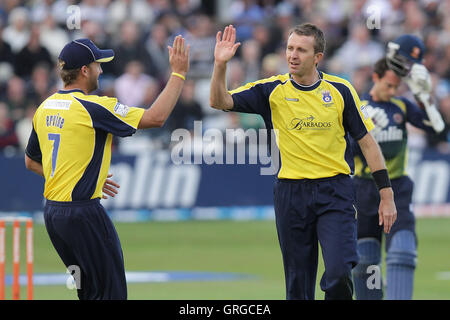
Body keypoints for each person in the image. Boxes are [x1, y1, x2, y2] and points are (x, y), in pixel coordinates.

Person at [209, 23, 397, 300]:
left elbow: (367, 142)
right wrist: (220, 65)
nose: (293, 55)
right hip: (291, 194)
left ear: (317, 57)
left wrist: (386, 192)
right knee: (298, 286)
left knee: (338, 271)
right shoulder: (271, 90)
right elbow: (218, 101)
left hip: (336, 192)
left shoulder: (340, 90)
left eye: (301, 50)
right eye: (290, 48)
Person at [24, 36, 189, 300]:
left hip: (53, 214)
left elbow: (31, 162)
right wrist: (178, 74)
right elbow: (156, 118)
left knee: (90, 293)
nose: (101, 70)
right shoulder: (93, 107)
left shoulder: (45, 107)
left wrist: (78, 176)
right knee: (112, 295)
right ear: (84, 71)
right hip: (83, 214)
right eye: (98, 64)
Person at [352, 35, 445, 300]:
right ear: (376, 77)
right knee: (365, 264)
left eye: (397, 87)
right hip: (364, 192)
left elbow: (438, 130)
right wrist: (366, 129)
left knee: (403, 253)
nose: (393, 92)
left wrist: (425, 97)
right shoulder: (358, 107)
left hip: (398, 190)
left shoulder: (402, 106)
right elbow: (346, 151)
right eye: (389, 86)